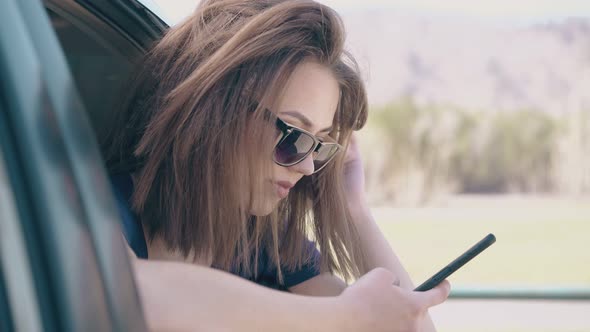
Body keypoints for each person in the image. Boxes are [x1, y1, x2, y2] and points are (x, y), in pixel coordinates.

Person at [101, 0, 451, 331]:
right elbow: (130, 292)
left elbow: (408, 327)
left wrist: (354, 209)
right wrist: (342, 316)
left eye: (320, 145)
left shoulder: (265, 243)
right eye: (294, 135)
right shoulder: (97, 207)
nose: (308, 168)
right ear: (216, 111)